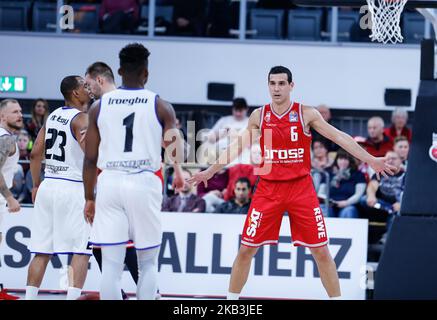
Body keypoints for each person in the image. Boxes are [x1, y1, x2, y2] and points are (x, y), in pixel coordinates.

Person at [188, 66, 395, 300]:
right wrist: (209, 171)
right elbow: (237, 147)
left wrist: (370, 159)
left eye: (281, 83)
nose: (276, 88)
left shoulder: (306, 113)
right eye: (272, 83)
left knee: (321, 251)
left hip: (301, 188)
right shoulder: (259, 116)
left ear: (291, 86)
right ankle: (231, 302)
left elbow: (338, 136)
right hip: (269, 188)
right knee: (246, 249)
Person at [83, 43, 184, 300]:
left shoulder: (99, 106)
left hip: (110, 183)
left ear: (119, 70)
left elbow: (90, 159)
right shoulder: (160, 105)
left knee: (111, 268)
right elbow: (175, 149)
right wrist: (179, 172)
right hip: (143, 182)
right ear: (146, 73)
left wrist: (89, 198)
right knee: (147, 263)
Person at [25, 76, 92, 300]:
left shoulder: (52, 116)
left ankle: (30, 297)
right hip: (73, 188)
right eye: (84, 86)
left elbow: (35, 153)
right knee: (81, 250)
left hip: (48, 185)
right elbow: (91, 157)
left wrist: (36, 184)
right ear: (74, 92)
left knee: (42, 251)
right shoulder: (81, 119)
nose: (88, 88)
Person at [84, 61, 141, 300]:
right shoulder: (136, 100)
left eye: (88, 84)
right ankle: (132, 291)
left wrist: (89, 197)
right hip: (134, 179)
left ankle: (144, 291)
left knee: (116, 244)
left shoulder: (101, 106)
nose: (87, 89)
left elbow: (90, 154)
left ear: (99, 80)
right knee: (106, 244)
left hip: (115, 179)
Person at [0, 99, 23, 300]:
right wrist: (10, 198)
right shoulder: (5, 139)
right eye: (14, 111)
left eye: (21, 111)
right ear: (2, 116)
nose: (20, 114)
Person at [359, 150, 406, 242]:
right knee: (364, 199)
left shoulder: (406, 175)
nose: (390, 161)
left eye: (394, 159)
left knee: (396, 213)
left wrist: (402, 203)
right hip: (380, 207)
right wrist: (371, 196)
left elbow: (408, 193)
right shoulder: (380, 173)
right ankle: (389, 209)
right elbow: (372, 186)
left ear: (401, 161)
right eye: (388, 159)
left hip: (397, 207)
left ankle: (389, 239)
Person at [318, 149, 367, 218]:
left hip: (348, 205)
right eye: (340, 159)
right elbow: (320, 193)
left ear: (350, 161)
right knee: (321, 209)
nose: (343, 162)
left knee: (349, 211)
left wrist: (346, 203)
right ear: (336, 160)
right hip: (330, 205)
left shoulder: (358, 175)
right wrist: (329, 201)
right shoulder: (328, 173)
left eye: (346, 159)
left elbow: (358, 194)